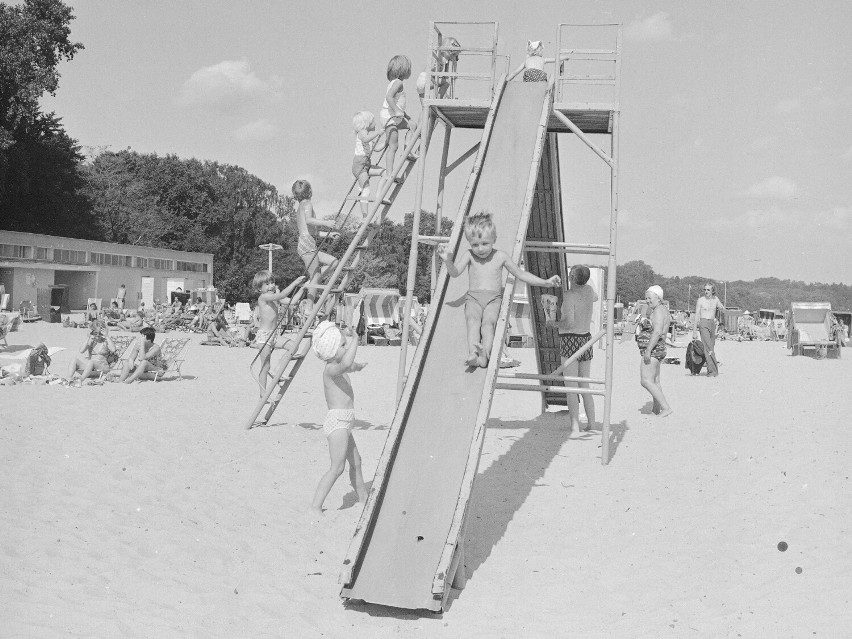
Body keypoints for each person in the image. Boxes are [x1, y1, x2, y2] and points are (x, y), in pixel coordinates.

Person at [437, 210, 561, 367]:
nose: (480, 249)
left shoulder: (501, 256)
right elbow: (454, 273)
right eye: (475, 244)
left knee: (488, 324)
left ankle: (484, 355)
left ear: (494, 239)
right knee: (472, 321)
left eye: (485, 244)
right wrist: (448, 261)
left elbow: (521, 274)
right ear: (469, 243)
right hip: (473, 298)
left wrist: (545, 282)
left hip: (493, 299)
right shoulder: (469, 255)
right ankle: (473, 354)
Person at [309, 320, 368, 518]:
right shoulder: (331, 369)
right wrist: (356, 339)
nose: (346, 347)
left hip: (346, 423)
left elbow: (350, 365)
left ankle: (363, 499)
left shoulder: (338, 368)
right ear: (332, 351)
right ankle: (316, 507)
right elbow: (347, 363)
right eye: (343, 345)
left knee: (356, 462)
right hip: (338, 424)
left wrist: (359, 366)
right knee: (337, 468)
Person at [548, 265, 598, 435]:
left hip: (570, 339)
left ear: (571, 278)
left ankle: (575, 426)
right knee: (585, 384)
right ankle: (592, 423)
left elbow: (568, 323)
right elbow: (596, 297)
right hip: (586, 338)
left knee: (571, 386)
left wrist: (553, 323)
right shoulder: (590, 291)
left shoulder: (569, 295)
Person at [252, 270, 307, 397]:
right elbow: (281, 295)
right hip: (264, 336)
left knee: (293, 346)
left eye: (272, 282)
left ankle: (277, 370)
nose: (271, 286)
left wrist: (302, 288)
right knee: (265, 366)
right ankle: (263, 394)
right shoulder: (263, 297)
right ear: (260, 289)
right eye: (266, 284)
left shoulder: (275, 299)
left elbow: (292, 301)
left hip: (274, 335)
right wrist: (295, 282)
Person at [293, 179, 340, 318]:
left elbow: (312, 231)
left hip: (308, 242)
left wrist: (329, 235)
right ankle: (308, 307)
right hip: (307, 244)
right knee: (316, 275)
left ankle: (311, 282)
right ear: (310, 191)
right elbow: (309, 221)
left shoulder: (301, 206)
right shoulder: (307, 204)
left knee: (334, 262)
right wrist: (327, 223)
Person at [379, 55, 417, 182]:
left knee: (412, 125)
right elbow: (389, 97)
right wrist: (396, 110)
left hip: (394, 115)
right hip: (390, 117)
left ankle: (407, 149)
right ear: (404, 69)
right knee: (393, 146)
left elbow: (398, 102)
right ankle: (389, 173)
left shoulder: (395, 83)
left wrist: (405, 115)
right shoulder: (398, 83)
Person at [636, 285, 672, 417]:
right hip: (660, 347)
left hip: (655, 349)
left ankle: (666, 407)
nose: (647, 301)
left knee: (645, 380)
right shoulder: (663, 310)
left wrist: (648, 351)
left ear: (658, 297)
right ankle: (656, 409)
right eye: (646, 298)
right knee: (655, 381)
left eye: (649, 298)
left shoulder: (658, 311)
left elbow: (657, 332)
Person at [352, 111, 386, 219]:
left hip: (366, 165)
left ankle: (378, 196)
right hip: (359, 165)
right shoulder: (362, 133)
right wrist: (378, 133)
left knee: (385, 173)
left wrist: (387, 141)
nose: (375, 124)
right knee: (366, 190)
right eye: (373, 121)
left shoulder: (369, 136)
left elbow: (376, 148)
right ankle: (365, 216)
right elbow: (365, 139)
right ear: (367, 123)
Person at [63, 320, 116, 386]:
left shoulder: (105, 341)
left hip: (102, 367)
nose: (98, 335)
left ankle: (81, 379)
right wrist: (88, 337)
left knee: (91, 362)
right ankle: (68, 378)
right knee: (74, 360)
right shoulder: (91, 341)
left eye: (100, 333)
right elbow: (81, 350)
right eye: (95, 333)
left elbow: (113, 350)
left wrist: (107, 336)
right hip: (90, 368)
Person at [692, 282, 725, 377]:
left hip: (712, 323)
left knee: (711, 347)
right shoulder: (701, 300)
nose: (706, 291)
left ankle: (711, 370)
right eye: (705, 289)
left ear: (712, 291)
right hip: (703, 323)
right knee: (708, 347)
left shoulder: (716, 300)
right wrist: (694, 331)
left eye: (708, 290)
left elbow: (722, 309)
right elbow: (697, 316)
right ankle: (712, 371)